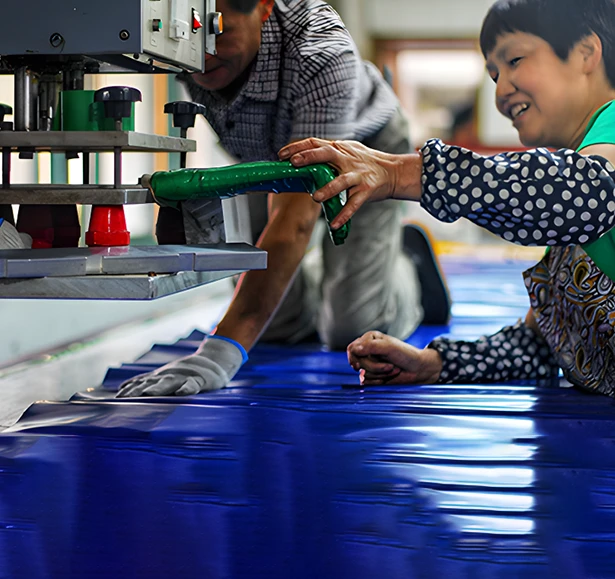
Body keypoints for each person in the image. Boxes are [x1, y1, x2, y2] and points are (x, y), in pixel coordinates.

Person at [279, 0, 615, 397]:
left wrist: (399, 173)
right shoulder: (567, 193)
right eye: (494, 75)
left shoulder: (594, 157)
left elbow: (589, 192)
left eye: (515, 60)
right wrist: (433, 363)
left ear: (585, 52)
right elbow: (541, 346)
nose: (502, 89)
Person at [116, 0, 450, 398]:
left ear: (263, 5)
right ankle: (325, 272)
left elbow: (294, 222)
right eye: (191, 33)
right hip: (264, 154)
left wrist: (219, 353)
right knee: (276, 323)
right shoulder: (186, 46)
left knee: (350, 326)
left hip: (365, 149)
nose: (202, 54)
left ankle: (406, 266)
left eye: (218, 30)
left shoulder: (321, 52)